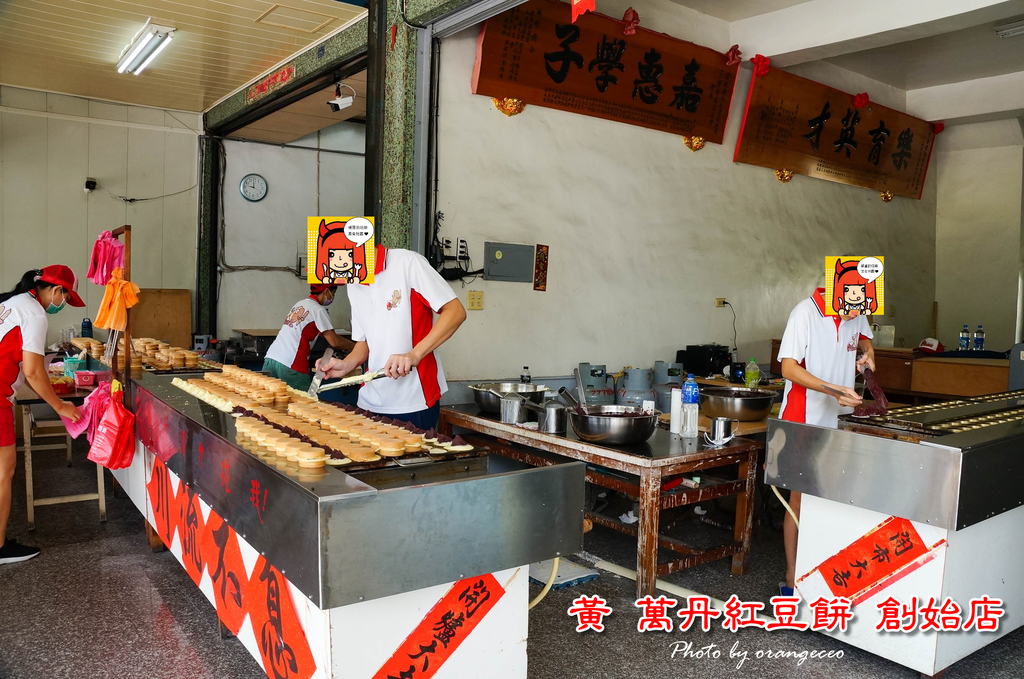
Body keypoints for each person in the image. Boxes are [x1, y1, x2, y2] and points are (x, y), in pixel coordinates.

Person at [776, 286, 874, 595]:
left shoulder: (856, 311)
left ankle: (821, 575)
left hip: (839, 418)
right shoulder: (805, 313)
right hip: (803, 419)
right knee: (800, 501)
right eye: (853, 308)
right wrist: (833, 389)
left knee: (832, 498)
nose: (858, 314)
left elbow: (864, 338)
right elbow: (788, 368)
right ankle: (792, 578)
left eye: (863, 309)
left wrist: (867, 354)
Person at [317, 244, 467, 430]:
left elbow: (455, 312)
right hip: (369, 401)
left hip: (413, 401)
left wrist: (414, 355)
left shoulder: (408, 263)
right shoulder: (353, 283)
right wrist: (345, 365)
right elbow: (365, 342)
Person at [0, 266, 85, 565]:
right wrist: (60, 406)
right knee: (3, 472)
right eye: (64, 295)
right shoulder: (35, 313)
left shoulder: (11, 303)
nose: (62, 303)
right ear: (55, 290)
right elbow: (34, 372)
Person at [263, 284, 354, 392]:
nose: (332, 297)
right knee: (303, 404)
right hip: (291, 364)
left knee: (270, 400)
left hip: (271, 358)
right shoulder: (318, 310)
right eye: (333, 293)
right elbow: (335, 341)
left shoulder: (300, 304)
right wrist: (357, 347)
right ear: (326, 292)